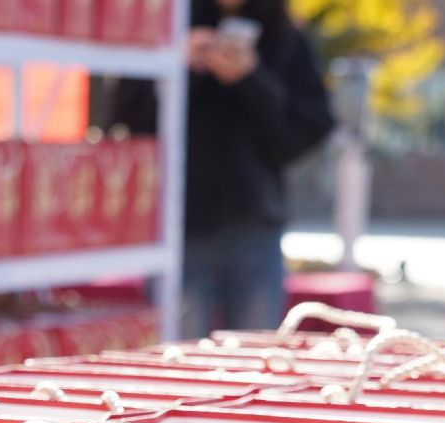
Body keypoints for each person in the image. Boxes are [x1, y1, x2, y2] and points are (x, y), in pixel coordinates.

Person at [112, 0, 334, 334]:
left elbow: (305, 131)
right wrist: (177, 66)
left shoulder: (285, 38)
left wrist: (252, 78)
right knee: (178, 352)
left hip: (254, 222)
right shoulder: (167, 27)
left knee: (254, 351)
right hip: (178, 224)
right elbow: (127, 121)